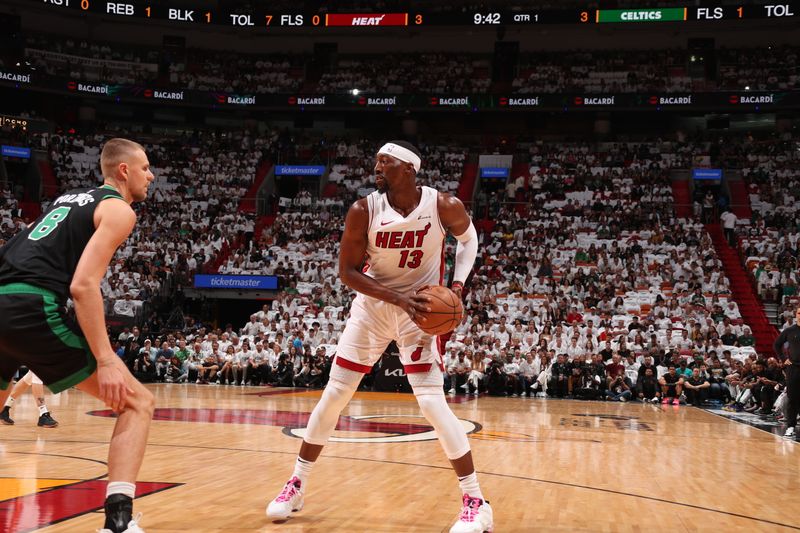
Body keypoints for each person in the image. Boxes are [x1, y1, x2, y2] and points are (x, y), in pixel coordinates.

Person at [266, 141, 491, 532]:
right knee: (334, 396)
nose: (377, 167)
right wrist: (396, 298)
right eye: (376, 162)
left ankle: (476, 501)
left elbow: (469, 240)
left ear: (409, 169)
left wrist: (456, 285)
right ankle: (296, 483)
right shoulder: (363, 210)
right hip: (373, 307)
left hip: (419, 312)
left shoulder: (443, 206)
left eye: (386, 162)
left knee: (432, 405)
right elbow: (348, 273)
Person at [0, 138, 155, 533]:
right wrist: (106, 359)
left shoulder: (66, 200)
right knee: (137, 402)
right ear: (123, 170)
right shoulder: (119, 209)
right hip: (30, 307)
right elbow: (83, 286)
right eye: (145, 168)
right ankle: (118, 522)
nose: (150, 176)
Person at [774, 309, 800, 439]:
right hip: (794, 368)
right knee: (792, 398)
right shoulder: (790, 330)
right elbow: (777, 344)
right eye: (799, 313)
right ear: (796, 315)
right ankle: (790, 427)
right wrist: (784, 359)